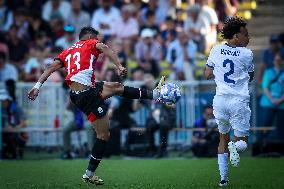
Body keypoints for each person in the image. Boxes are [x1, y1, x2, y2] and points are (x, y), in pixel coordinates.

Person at [28, 26, 167, 185]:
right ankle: (89, 174)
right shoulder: (90, 43)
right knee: (103, 135)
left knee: (116, 87)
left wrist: (37, 86)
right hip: (87, 94)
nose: (97, 40)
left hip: (80, 93)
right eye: (96, 37)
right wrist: (119, 65)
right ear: (89, 36)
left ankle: (156, 95)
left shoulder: (67, 51)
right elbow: (105, 48)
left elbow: (51, 67)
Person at [204, 17, 254, 186]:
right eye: (245, 35)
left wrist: (220, 73)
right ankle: (235, 146)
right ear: (235, 37)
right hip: (238, 102)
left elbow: (207, 74)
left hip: (220, 101)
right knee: (242, 142)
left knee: (222, 139)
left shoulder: (215, 50)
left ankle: (223, 179)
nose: (248, 38)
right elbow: (251, 76)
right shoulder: (247, 54)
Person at [259, 53, 284, 141]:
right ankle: (261, 146)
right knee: (265, 125)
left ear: (282, 61)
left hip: (281, 104)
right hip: (268, 103)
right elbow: (265, 87)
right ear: (273, 61)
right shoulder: (268, 72)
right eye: (275, 60)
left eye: (279, 60)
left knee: (281, 127)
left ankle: (281, 148)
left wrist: (280, 100)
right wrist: (272, 99)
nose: (277, 62)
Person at [1, 89, 28, 159]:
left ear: (9, 100)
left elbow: (24, 123)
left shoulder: (16, 108)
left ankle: (15, 155)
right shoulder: (2, 109)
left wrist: (14, 128)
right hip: (4, 133)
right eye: (1, 101)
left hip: (16, 133)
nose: (2, 102)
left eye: (4, 100)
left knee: (11, 137)